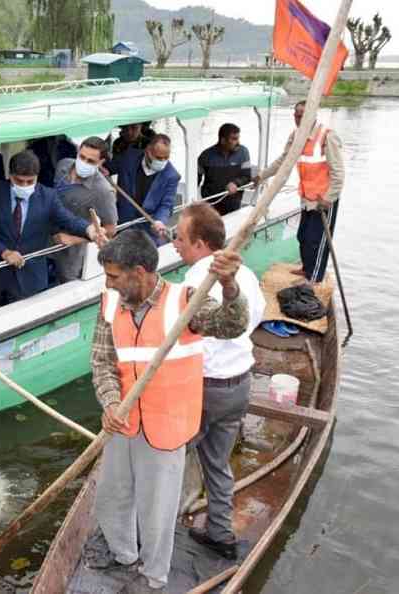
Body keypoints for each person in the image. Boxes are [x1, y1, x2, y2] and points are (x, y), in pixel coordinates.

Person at [91, 229, 249, 594]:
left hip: (167, 427)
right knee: (112, 497)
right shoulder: (110, 303)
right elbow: (101, 361)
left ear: (141, 271)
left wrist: (228, 286)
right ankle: (124, 555)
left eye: (114, 275)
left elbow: (232, 324)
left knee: (157, 511)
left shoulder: (185, 302)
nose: (108, 283)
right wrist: (111, 402)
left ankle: (154, 577)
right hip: (123, 422)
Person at [173, 203, 265, 560]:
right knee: (217, 463)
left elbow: (188, 334)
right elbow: (251, 321)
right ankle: (221, 532)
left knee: (167, 457)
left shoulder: (198, 282)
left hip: (204, 388)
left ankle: (153, 532)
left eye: (179, 238)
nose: (175, 245)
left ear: (199, 244)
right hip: (239, 383)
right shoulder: (247, 274)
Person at [0, 150, 107, 309]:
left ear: (37, 177)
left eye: (30, 181)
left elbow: (68, 219)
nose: (24, 186)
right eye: (19, 181)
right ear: (10, 175)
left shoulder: (48, 197)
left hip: (31, 279)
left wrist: (89, 230)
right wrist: (4, 252)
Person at [254, 100, 344, 283]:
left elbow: (338, 174)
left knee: (316, 241)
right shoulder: (295, 136)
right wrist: (262, 176)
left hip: (323, 200)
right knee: (302, 236)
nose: (298, 119)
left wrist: (328, 198)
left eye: (302, 116)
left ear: (312, 116)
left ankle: (315, 279)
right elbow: (283, 160)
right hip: (307, 198)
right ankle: (307, 269)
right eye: (296, 115)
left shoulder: (327, 136)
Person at [52, 136, 118, 283]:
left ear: (101, 162)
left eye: (91, 161)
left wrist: (73, 240)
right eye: (82, 157)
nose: (84, 163)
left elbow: (111, 229)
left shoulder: (103, 191)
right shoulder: (63, 165)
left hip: (70, 257)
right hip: (45, 244)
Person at [115, 134, 180, 243]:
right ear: (148, 151)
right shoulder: (129, 158)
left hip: (149, 232)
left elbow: (167, 204)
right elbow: (110, 167)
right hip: (123, 225)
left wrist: (159, 221)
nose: (162, 161)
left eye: (166, 158)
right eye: (159, 158)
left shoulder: (172, 176)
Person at [197, 123, 253, 216]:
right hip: (211, 204)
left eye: (238, 138)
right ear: (223, 140)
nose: (238, 142)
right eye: (234, 139)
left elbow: (247, 177)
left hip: (234, 202)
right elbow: (195, 180)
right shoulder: (205, 156)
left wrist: (236, 183)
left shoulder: (243, 152)